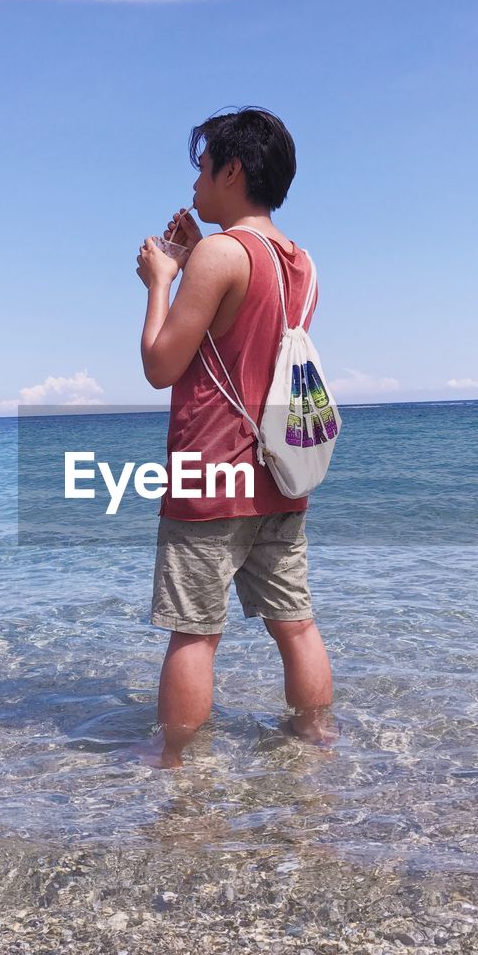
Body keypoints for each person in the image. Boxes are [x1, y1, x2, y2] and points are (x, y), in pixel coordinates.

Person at [136, 107, 335, 768]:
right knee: (296, 625)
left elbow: (161, 365)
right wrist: (200, 258)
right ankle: (317, 744)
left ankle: (176, 773)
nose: (195, 182)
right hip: (279, 474)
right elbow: (248, 329)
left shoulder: (219, 255)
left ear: (233, 169)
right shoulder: (302, 262)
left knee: (193, 634)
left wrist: (163, 280)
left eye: (202, 167)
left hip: (211, 473)